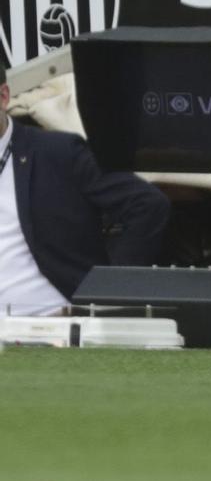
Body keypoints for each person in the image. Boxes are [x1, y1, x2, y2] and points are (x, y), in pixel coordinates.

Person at [0, 66, 171, 315]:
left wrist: (109, 293)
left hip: (52, 328)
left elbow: (147, 204)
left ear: (4, 97)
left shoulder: (57, 153)